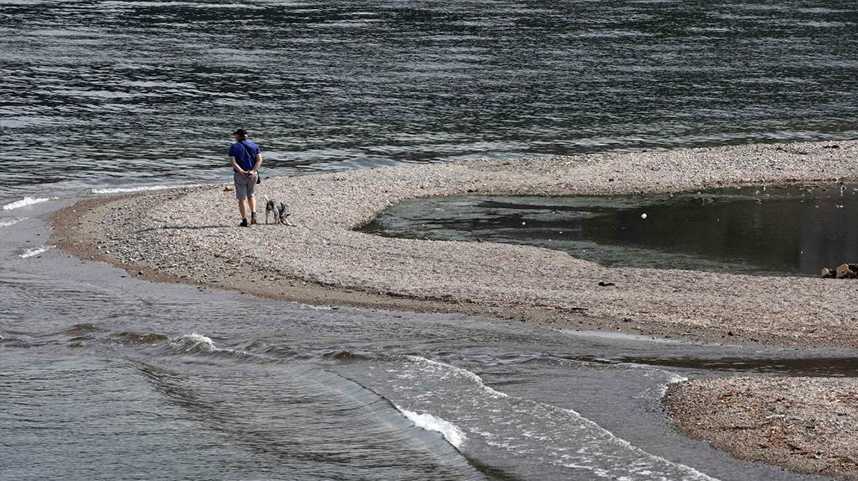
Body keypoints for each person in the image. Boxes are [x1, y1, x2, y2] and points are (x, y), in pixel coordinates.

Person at [228, 128, 263, 227]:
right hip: (253, 174)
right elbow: (259, 160)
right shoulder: (255, 145)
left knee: (241, 198)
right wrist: (253, 170)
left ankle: (244, 220)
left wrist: (241, 172)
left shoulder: (234, 147)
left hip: (240, 175)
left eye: (235, 135)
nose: (234, 137)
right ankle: (254, 214)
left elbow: (233, 162)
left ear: (238, 136)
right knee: (251, 194)